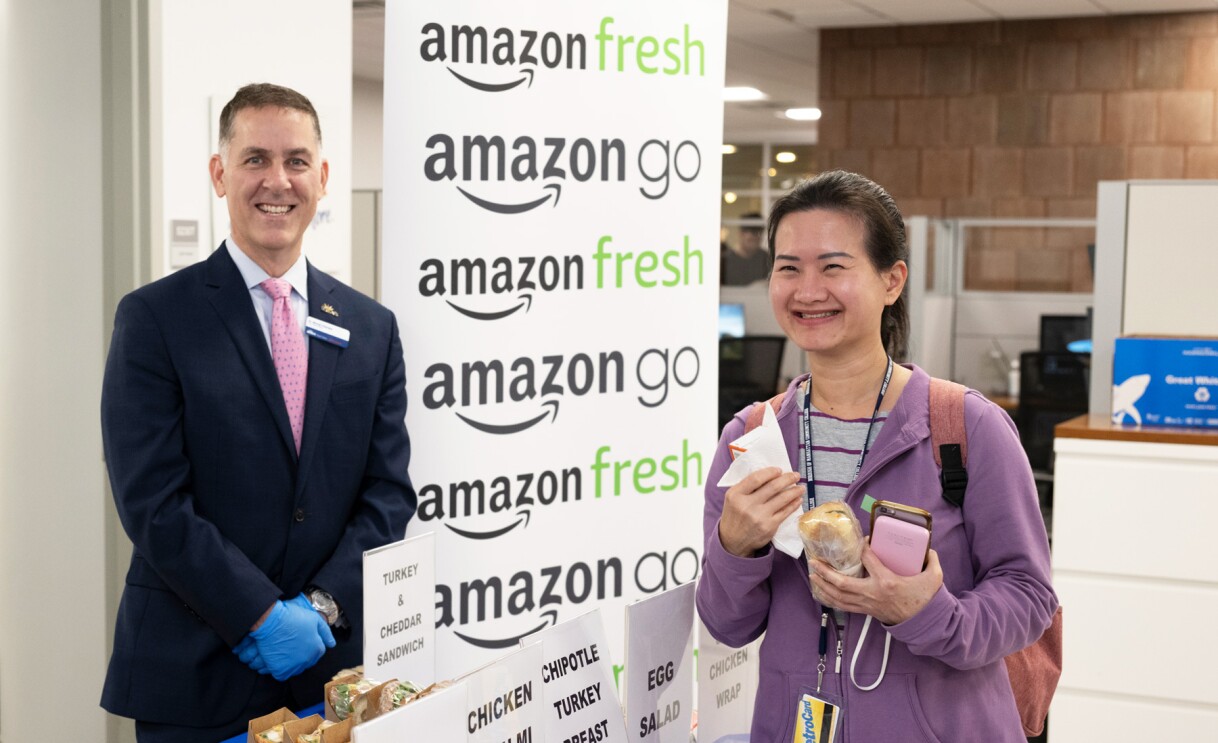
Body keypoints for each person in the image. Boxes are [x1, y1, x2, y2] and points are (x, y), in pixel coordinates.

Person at [100, 83, 416, 742]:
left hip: (328, 677)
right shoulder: (157, 318)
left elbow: (386, 494)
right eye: (255, 159)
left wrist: (321, 608)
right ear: (220, 173)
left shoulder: (371, 326)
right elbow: (153, 499)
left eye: (297, 161)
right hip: (194, 675)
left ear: (323, 178)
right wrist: (260, 613)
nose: (278, 180)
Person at [696, 171, 1057, 741]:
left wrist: (928, 612)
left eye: (833, 266)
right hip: (798, 725)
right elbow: (726, 625)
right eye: (788, 267)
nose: (807, 289)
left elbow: (1029, 597)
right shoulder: (753, 439)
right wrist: (735, 548)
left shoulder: (966, 428)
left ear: (892, 280)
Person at [720, 212, 770, 285]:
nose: (756, 237)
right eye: (752, 232)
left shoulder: (767, 259)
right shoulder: (725, 260)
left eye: (759, 232)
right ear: (741, 233)